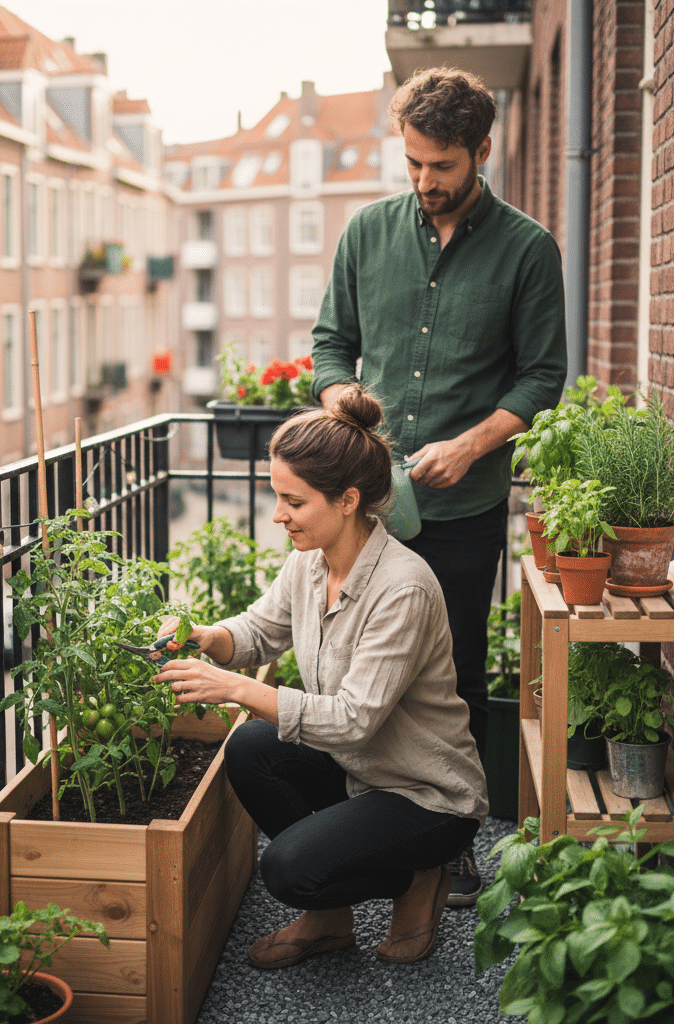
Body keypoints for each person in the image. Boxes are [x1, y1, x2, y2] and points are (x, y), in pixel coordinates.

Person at [310, 66, 567, 905]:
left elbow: (541, 378)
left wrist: (475, 442)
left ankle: (449, 842)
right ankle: (350, 826)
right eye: (413, 163)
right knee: (346, 671)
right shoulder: (365, 233)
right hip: (368, 504)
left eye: (442, 167)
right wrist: (337, 394)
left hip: (463, 505)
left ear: (482, 152)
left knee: (451, 679)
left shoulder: (528, 249)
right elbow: (329, 343)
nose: (424, 182)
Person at [153, 387, 487, 969]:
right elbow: (258, 629)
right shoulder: (310, 560)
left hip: (425, 793)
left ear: (349, 500)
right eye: (277, 497)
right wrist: (209, 637)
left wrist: (236, 688)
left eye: (294, 502)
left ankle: (420, 875)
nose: (278, 515)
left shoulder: (401, 588)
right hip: (362, 769)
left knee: (285, 868)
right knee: (251, 747)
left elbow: (355, 721)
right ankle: (330, 920)